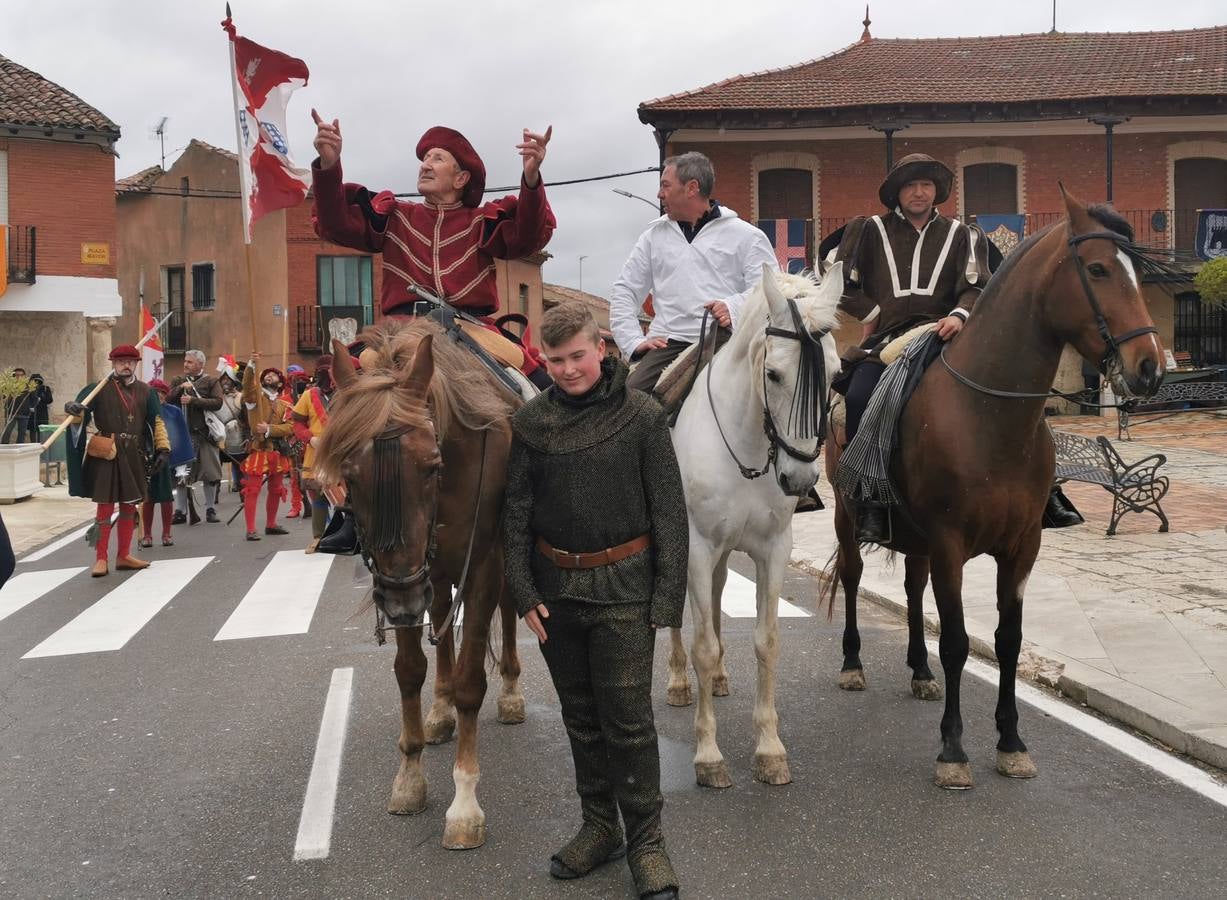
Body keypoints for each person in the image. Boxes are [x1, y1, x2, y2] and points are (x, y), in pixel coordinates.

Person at [502, 302, 686, 900]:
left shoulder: (642, 416)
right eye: (554, 360)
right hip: (556, 595)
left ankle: (648, 844)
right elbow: (517, 514)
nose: (567, 369)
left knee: (628, 724)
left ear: (601, 349)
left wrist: (666, 602)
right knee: (581, 721)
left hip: (625, 591)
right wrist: (524, 590)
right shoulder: (531, 423)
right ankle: (599, 827)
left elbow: (670, 514)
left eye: (576, 356)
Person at [832, 152, 1080, 538]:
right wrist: (873, 313)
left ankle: (1047, 489)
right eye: (911, 185)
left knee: (1012, 388)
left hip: (946, 333)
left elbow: (978, 285)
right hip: (888, 341)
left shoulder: (962, 234)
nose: (919, 192)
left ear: (937, 191)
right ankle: (871, 501)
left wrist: (960, 315)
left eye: (926, 185)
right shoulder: (869, 230)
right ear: (897, 192)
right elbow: (837, 278)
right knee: (861, 395)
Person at [311, 111, 556, 319]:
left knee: (529, 374)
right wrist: (329, 164)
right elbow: (335, 225)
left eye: (437, 158)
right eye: (425, 159)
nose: (425, 165)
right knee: (352, 372)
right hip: (403, 331)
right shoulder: (394, 216)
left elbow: (528, 236)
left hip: (473, 330)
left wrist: (531, 177)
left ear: (461, 178)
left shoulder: (483, 222)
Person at [609, 150, 778, 394]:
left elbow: (771, 290)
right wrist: (634, 342)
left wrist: (733, 306)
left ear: (691, 188)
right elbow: (625, 290)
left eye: (665, 185)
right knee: (630, 405)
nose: (659, 194)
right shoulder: (652, 238)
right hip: (668, 344)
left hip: (728, 341)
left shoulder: (747, 236)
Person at [64, 345, 170, 577]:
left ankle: (123, 555)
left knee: (129, 506)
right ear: (113, 363)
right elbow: (80, 415)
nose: (125, 365)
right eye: (120, 361)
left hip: (134, 454)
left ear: (136, 364)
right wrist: (74, 411)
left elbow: (157, 421)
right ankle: (101, 558)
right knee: (104, 508)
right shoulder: (98, 389)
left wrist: (163, 448)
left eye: (130, 362)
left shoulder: (146, 391)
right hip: (108, 453)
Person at [166, 349, 224, 524]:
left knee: (210, 474)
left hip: (204, 434)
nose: (185, 364)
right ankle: (180, 511)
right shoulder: (178, 380)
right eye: (185, 361)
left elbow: (217, 403)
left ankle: (210, 509)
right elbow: (167, 398)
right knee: (181, 475)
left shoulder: (211, 381)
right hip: (182, 436)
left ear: (200, 364)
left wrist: (193, 400)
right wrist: (180, 389)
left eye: (190, 362)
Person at [239, 355, 293, 541]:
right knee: (252, 489)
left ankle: (271, 524)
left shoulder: (285, 404)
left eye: (274, 375)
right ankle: (251, 529)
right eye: (267, 374)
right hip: (259, 448)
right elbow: (247, 386)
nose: (269, 376)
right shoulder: (254, 398)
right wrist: (252, 365)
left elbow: (290, 426)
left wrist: (269, 429)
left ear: (280, 384)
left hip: (277, 449)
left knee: (276, 488)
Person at [291, 355, 336, 552]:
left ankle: (350, 534)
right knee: (318, 495)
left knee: (346, 495)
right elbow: (297, 423)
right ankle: (319, 536)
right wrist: (309, 437)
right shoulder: (309, 395)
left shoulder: (346, 393)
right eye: (322, 371)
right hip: (316, 452)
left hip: (341, 451)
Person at [140, 379, 178, 548]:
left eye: (162, 393)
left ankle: (166, 533)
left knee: (166, 496)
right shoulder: (142, 412)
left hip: (166, 459)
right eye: (156, 393)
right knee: (148, 498)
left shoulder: (172, 412)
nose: (159, 396)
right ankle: (147, 535)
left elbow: (180, 437)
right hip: (146, 457)